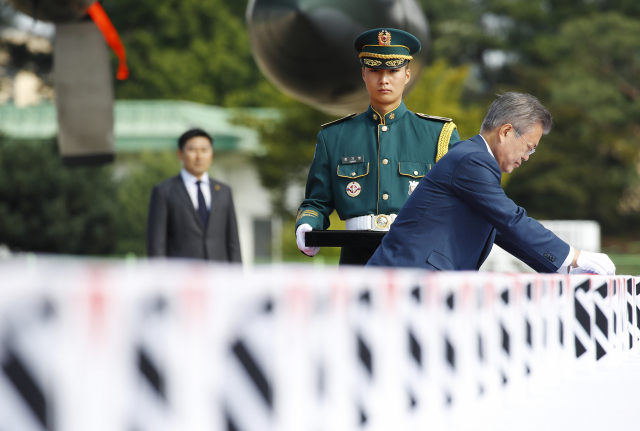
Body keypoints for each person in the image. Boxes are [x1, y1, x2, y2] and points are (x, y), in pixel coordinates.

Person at [367, 92, 615, 275]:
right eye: (529, 147)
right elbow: (511, 219)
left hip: (413, 281)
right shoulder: (471, 160)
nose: (527, 157)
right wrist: (575, 257)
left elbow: (504, 231)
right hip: (403, 280)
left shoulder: (474, 160)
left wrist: (563, 269)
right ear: (506, 131)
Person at [295, 28, 461, 265]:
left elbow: (458, 201)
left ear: (407, 74)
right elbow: (317, 202)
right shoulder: (333, 136)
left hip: (417, 255)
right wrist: (307, 225)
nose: (384, 79)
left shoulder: (438, 135)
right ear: (363, 73)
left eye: (393, 71)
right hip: (356, 256)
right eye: (374, 70)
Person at [146, 128, 242, 263]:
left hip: (219, 275)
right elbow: (156, 242)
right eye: (192, 150)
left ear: (211, 155)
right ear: (180, 154)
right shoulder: (164, 191)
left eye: (204, 150)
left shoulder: (224, 191)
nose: (199, 156)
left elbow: (233, 242)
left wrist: (237, 278)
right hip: (181, 276)